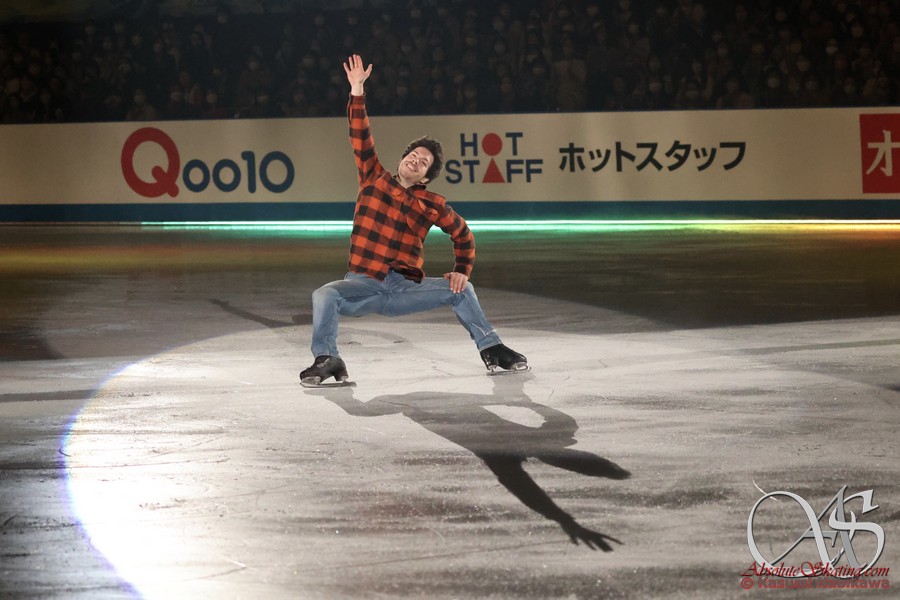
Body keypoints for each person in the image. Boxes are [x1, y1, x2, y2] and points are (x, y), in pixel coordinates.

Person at [300, 54, 527, 385]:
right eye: (413, 155)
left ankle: (492, 348)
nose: (415, 160)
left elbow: (463, 236)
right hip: (364, 285)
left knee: (462, 289)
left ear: (426, 177)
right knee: (325, 295)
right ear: (402, 159)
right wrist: (357, 90)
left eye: (423, 162)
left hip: (405, 288)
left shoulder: (432, 203)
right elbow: (360, 135)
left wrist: (462, 271)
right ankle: (327, 358)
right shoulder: (373, 178)